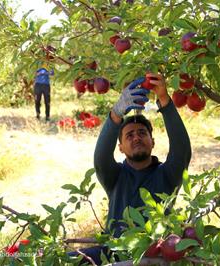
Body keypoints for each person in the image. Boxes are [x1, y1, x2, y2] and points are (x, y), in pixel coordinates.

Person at [68, 73, 192, 265]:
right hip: (111, 252)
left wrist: (164, 100)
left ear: (152, 142)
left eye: (142, 133)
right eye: (129, 135)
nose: (136, 138)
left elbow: (181, 149)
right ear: (120, 147)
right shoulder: (115, 176)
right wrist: (116, 113)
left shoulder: (167, 175)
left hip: (151, 258)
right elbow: (100, 158)